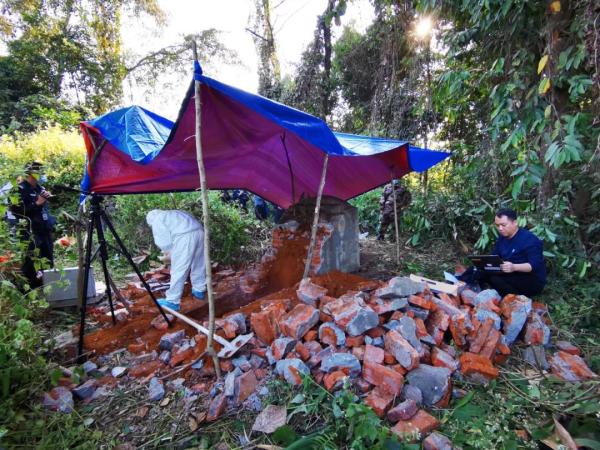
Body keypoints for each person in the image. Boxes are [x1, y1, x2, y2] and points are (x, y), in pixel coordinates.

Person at [460, 208, 546, 297]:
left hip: (530, 280)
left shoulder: (530, 240)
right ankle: (459, 286)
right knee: (476, 269)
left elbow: (534, 266)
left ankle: (513, 298)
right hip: (510, 272)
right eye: (497, 225)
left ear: (515, 223)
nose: (500, 228)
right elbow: (494, 256)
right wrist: (484, 263)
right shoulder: (503, 237)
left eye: (503, 225)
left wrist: (514, 267)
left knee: (494, 279)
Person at [146, 209, 206, 311]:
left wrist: (169, 253)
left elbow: (163, 241)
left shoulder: (157, 219)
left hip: (185, 236)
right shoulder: (174, 213)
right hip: (200, 232)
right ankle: (199, 289)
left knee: (179, 269)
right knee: (199, 263)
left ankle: (172, 301)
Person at [16, 162, 56, 289]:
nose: (42, 175)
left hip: (44, 229)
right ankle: (27, 289)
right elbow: (19, 212)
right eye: (40, 172)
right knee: (31, 261)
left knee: (48, 259)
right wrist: (37, 203)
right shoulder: (19, 189)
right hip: (30, 232)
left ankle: (47, 287)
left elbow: (45, 209)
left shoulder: (39, 188)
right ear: (32, 174)